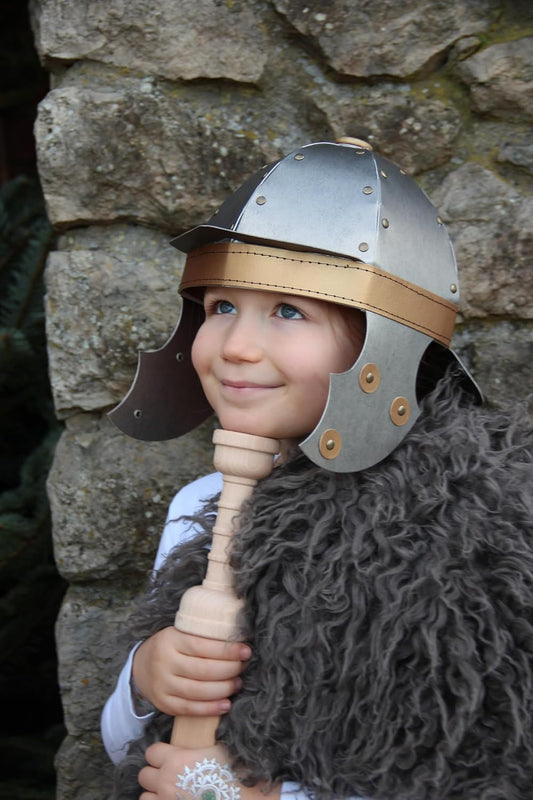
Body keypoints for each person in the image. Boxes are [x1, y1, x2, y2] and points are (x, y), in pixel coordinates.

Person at [103, 139, 533, 800]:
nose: (236, 346)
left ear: (381, 344)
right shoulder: (200, 503)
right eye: (221, 307)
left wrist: (257, 797)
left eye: (288, 311)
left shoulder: (470, 531)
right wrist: (146, 677)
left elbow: (483, 767)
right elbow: (125, 749)